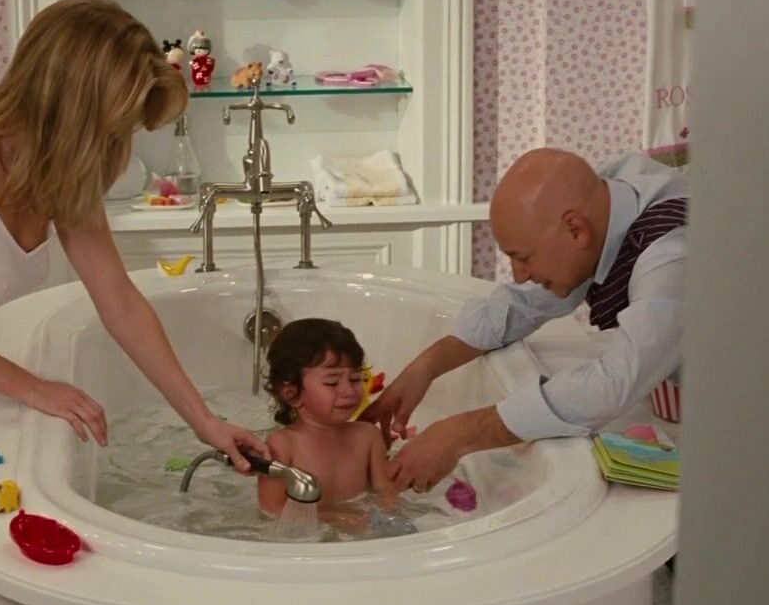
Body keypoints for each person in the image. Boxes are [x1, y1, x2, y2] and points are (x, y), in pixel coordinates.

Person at [0, 0, 266, 605]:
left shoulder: (57, 169)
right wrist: (35, 388)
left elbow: (120, 302)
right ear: (69, 97)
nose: (117, 145)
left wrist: (203, 420)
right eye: (112, 124)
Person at [363, 148, 688, 494]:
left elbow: (611, 385)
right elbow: (527, 300)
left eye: (523, 258)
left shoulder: (673, 259)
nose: (518, 275)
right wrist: (426, 367)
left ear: (576, 229)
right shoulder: (615, 191)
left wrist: (457, 435)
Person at [258, 319, 395, 519]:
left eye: (355, 379)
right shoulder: (283, 445)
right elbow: (272, 509)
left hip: (359, 529)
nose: (349, 391)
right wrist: (336, 517)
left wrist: (390, 514)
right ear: (292, 394)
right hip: (306, 536)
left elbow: (385, 490)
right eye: (332, 382)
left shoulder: (368, 436)